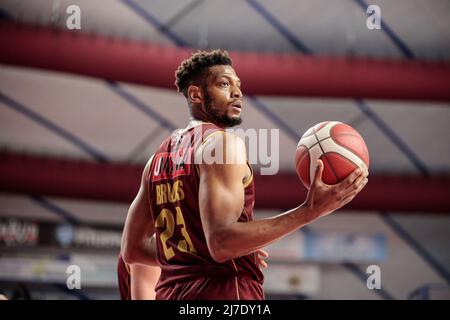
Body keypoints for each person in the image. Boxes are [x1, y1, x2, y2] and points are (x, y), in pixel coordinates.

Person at [121, 49, 368, 300]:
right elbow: (221, 243)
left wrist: (210, 251)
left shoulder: (157, 160)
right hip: (224, 294)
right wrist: (309, 211)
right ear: (196, 94)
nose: (237, 92)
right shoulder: (222, 145)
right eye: (224, 84)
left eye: (238, 85)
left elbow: (132, 249)